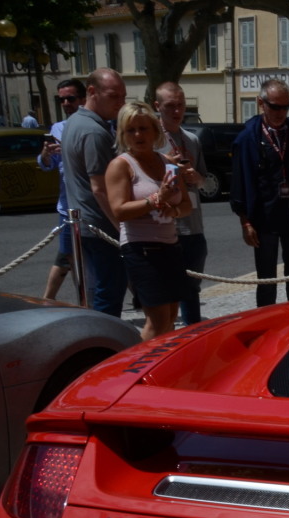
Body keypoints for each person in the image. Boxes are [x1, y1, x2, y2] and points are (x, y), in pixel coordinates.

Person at [105, 101, 191, 342]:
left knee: (172, 315)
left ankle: (162, 364)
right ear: (122, 134)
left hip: (170, 245)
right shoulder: (121, 165)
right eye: (130, 130)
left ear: (155, 131)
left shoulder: (168, 163)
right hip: (140, 248)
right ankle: (139, 369)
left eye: (143, 128)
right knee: (158, 319)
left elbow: (186, 205)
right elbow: (119, 210)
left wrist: (172, 211)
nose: (138, 135)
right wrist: (155, 199)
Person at [230, 79, 289, 307]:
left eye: (286, 107)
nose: (281, 112)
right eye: (275, 107)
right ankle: (266, 327)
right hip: (264, 220)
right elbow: (240, 182)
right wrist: (245, 222)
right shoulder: (247, 138)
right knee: (267, 281)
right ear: (261, 103)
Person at [63, 68, 129, 316]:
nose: (121, 103)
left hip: (85, 223)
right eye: (114, 96)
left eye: (123, 96)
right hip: (100, 225)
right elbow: (100, 188)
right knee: (109, 291)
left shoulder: (75, 122)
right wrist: (122, 228)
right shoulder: (94, 131)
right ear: (92, 92)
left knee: (101, 288)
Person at [154, 81, 207, 325]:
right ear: (158, 106)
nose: (177, 111)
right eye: (170, 106)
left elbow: (204, 182)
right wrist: (165, 163)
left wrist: (195, 177)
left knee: (191, 289)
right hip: (165, 227)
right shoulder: (150, 140)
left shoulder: (192, 139)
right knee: (166, 293)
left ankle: (192, 334)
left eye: (181, 105)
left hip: (193, 226)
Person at [37, 79, 86, 301]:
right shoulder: (58, 128)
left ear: (83, 99)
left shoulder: (96, 125)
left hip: (93, 205)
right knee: (69, 256)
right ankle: (53, 301)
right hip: (68, 209)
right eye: (62, 99)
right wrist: (46, 155)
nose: (66, 103)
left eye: (71, 98)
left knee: (93, 257)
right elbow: (47, 165)